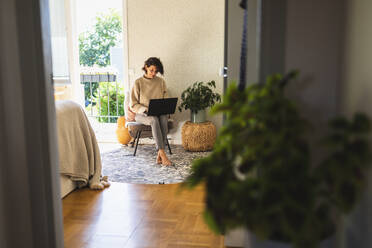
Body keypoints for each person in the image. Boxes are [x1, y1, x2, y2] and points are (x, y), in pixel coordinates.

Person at [129, 57, 173, 166]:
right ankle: (162, 152)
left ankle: (160, 153)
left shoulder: (161, 82)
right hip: (141, 114)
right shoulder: (138, 82)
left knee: (163, 118)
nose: (153, 73)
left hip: (159, 112)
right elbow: (133, 104)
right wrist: (145, 109)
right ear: (146, 67)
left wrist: (166, 107)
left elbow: (166, 99)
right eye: (151, 70)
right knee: (153, 119)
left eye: (156, 71)